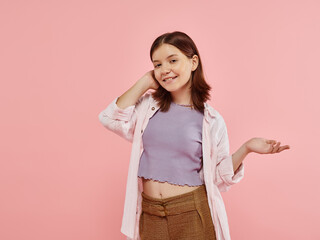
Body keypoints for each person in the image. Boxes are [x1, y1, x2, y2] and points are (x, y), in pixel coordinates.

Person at [98, 31, 290, 240]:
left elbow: (218, 176)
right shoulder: (147, 108)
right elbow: (110, 119)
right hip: (150, 213)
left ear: (193, 62)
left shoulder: (211, 120)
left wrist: (247, 148)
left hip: (191, 211)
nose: (165, 70)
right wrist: (144, 82)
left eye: (172, 60)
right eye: (157, 64)